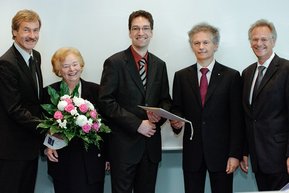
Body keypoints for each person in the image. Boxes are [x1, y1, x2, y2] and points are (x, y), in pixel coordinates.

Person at [98, 10, 171, 193]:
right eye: (136, 28)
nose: (141, 33)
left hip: (150, 148)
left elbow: (165, 100)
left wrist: (158, 117)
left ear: (152, 32)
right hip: (123, 148)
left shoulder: (160, 64)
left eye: (145, 28)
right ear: (129, 32)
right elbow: (105, 101)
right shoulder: (114, 63)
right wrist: (137, 124)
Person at [170, 23, 243, 193]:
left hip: (222, 155)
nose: (201, 47)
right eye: (196, 43)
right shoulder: (181, 76)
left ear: (215, 45)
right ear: (191, 46)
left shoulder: (231, 76)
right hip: (192, 154)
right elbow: (177, 108)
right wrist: (176, 122)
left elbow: (237, 119)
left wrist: (234, 154)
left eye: (206, 42)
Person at [43, 47, 109, 193]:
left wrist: (108, 156)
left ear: (81, 65)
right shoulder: (48, 93)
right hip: (62, 162)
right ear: (58, 70)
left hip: (92, 162)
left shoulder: (97, 91)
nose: (71, 69)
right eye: (65, 66)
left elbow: (107, 126)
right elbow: (42, 126)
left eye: (75, 64)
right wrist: (49, 145)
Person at [240, 19, 289, 191]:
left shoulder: (286, 69)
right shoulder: (247, 73)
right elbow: (248, 117)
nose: (258, 43)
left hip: (281, 158)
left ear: (273, 41)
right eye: (254, 39)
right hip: (258, 159)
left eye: (264, 39)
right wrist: (244, 151)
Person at [0, 9, 43, 193]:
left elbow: (34, 100)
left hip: (30, 146)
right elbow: (14, 108)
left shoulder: (36, 56)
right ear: (15, 32)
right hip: (12, 150)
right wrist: (47, 127)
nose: (32, 36)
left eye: (35, 30)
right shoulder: (6, 64)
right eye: (26, 30)